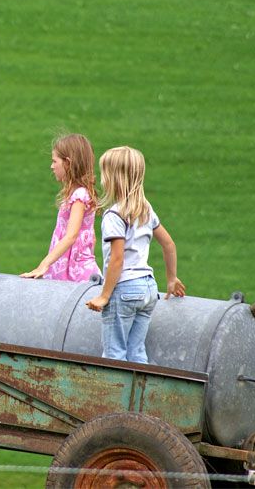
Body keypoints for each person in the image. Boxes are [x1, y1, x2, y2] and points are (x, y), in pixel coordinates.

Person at [85, 146, 185, 363]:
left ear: (113, 178)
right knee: (136, 353)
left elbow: (117, 259)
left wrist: (104, 295)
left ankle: (114, 398)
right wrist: (171, 279)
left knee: (114, 356)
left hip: (124, 290)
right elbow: (168, 244)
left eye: (104, 174)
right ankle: (140, 396)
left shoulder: (114, 215)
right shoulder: (146, 209)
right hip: (148, 289)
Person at [20, 134, 100, 281]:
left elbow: (71, 236)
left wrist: (44, 264)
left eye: (54, 161)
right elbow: (92, 238)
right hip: (67, 268)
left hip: (76, 273)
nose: (52, 166)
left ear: (68, 163)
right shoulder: (75, 195)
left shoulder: (80, 196)